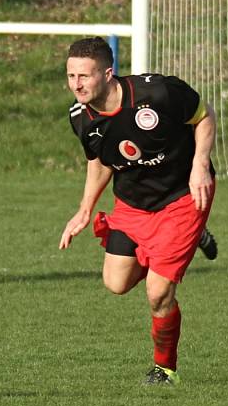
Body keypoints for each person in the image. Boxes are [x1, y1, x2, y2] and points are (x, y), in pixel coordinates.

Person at [59, 37, 218, 385]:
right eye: (71, 76)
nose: (76, 84)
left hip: (181, 197)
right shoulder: (80, 117)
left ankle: (165, 369)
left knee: (158, 293)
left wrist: (200, 164)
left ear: (108, 73)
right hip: (132, 204)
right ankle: (184, 244)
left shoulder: (157, 93)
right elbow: (99, 161)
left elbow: (204, 116)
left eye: (84, 76)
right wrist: (85, 209)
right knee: (116, 283)